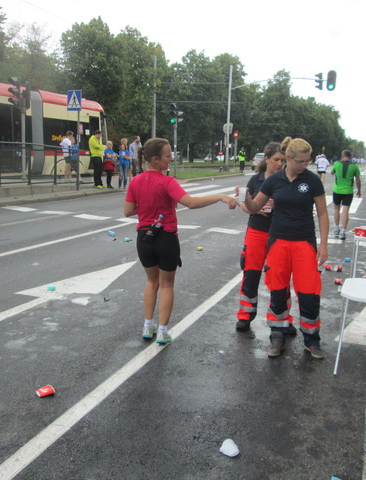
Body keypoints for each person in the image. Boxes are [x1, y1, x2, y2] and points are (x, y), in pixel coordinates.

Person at [124, 138, 238, 344]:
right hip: (166, 238)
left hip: (144, 238)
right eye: (167, 156)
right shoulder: (167, 182)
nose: (171, 159)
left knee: (151, 282)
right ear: (155, 159)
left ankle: (147, 327)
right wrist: (220, 196)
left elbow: (128, 211)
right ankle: (163, 332)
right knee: (167, 285)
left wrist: (148, 207)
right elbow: (191, 203)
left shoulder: (135, 181)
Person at [243, 137, 329, 359]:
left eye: (307, 161)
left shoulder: (312, 181)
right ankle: (277, 336)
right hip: (278, 242)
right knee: (278, 290)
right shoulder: (274, 181)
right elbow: (255, 206)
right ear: (289, 158)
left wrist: (324, 245)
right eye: (300, 161)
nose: (304, 165)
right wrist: (247, 199)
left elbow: (322, 213)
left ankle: (311, 340)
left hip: (304, 243)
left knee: (309, 292)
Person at [234, 142, 291, 333]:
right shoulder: (256, 180)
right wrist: (253, 208)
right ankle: (245, 315)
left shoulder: (286, 180)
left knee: (279, 276)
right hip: (257, 231)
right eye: (276, 159)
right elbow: (244, 204)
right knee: (250, 273)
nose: (279, 164)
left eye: (283, 160)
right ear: (266, 159)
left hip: (279, 233)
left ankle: (284, 319)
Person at [330, 149, 361, 240]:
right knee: (345, 211)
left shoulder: (336, 164)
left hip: (337, 190)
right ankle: (343, 232)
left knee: (336, 209)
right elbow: (358, 180)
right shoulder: (354, 166)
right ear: (350, 157)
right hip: (348, 191)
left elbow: (332, 173)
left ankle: (336, 228)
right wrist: (359, 190)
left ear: (342, 156)